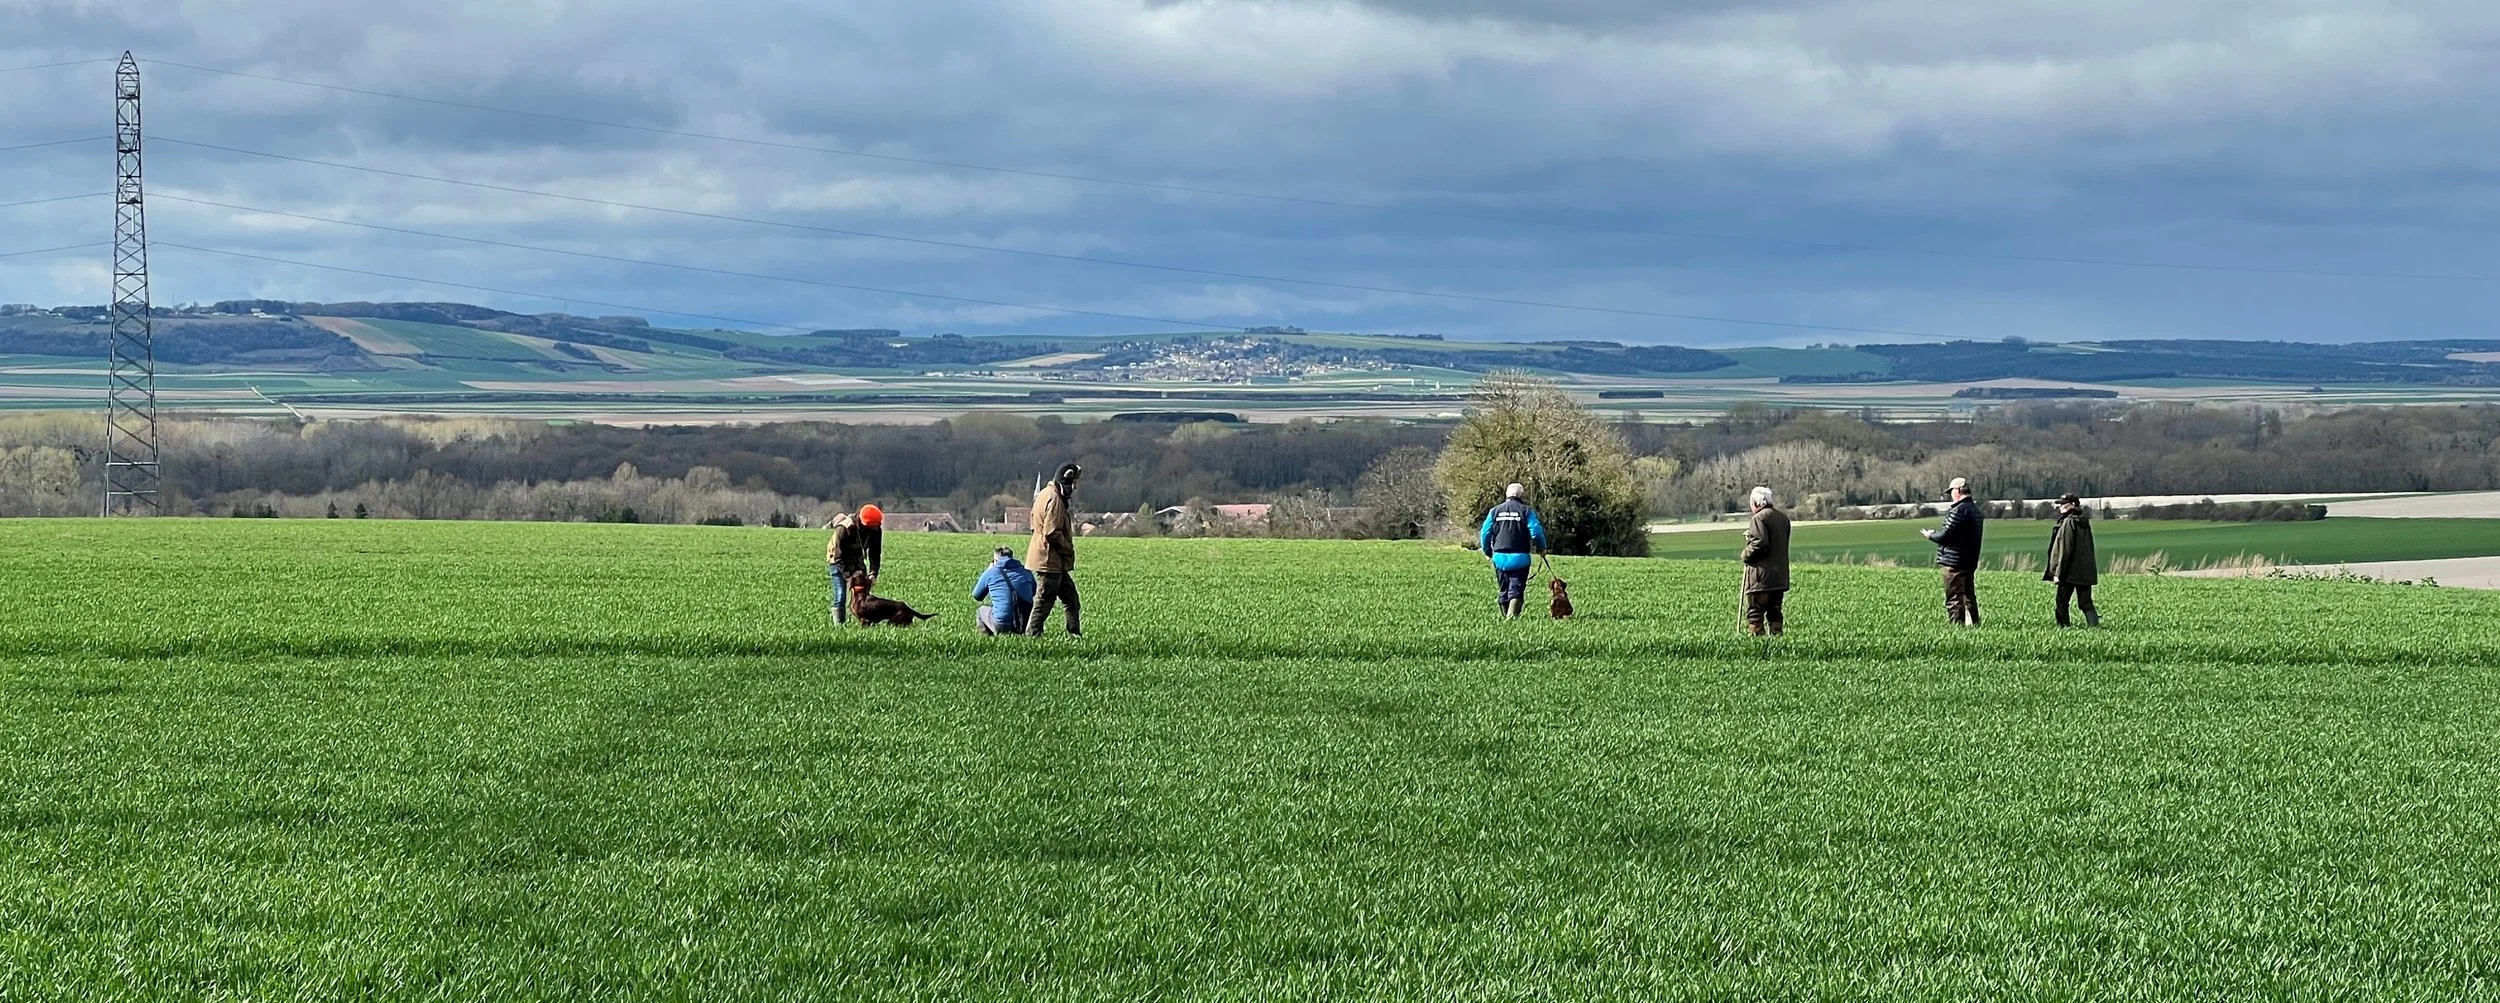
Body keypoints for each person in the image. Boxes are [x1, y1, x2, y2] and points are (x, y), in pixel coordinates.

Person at [1023, 463, 1083, 637]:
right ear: (1067, 481)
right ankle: (1032, 634)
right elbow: (1052, 533)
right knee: (1045, 601)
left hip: (1049, 559)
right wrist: (1067, 548)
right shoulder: (1055, 500)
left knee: (1071, 599)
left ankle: (1074, 634)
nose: (1075, 488)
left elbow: (1035, 524)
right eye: (1074, 484)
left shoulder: (1044, 494)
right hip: (1049, 560)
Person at [1477, 483, 1549, 620]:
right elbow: (1536, 532)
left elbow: (1485, 533)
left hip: (1499, 558)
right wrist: (1541, 548)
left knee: (1503, 589)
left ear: (1506, 494)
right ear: (1521, 495)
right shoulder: (1526, 511)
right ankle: (1511, 619)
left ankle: (1505, 617)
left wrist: (1488, 552)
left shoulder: (1495, 511)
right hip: (1520, 557)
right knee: (1516, 589)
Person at [1921, 477, 1984, 626]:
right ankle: (1973, 624)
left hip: (1954, 561)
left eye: (1952, 491)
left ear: (1958, 491)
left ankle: (1957, 626)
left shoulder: (1958, 511)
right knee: (1968, 595)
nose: (1951, 495)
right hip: (1969, 560)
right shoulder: (1974, 510)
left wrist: (1930, 535)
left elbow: (1946, 535)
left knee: (1954, 596)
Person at [1740, 485, 1791, 636]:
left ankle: (1758, 643)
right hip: (1779, 577)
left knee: (1755, 612)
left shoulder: (1759, 518)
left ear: (1756, 503)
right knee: (1775, 612)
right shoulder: (1782, 518)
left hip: (1761, 577)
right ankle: (1777, 641)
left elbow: (1759, 543)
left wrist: (1746, 554)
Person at [2045, 492, 2101, 627]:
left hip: (2069, 571)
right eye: (2060, 504)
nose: (2061, 507)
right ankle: (2095, 627)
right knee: (2085, 603)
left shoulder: (2069, 522)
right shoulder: (2083, 522)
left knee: (2061, 602)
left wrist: (2058, 573)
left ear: (2074, 504)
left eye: (2064, 504)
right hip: (2085, 571)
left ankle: (2063, 628)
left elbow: (2066, 549)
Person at [824, 504, 884, 625]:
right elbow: (838, 557)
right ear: (864, 523)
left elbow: (875, 553)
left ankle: (866, 622)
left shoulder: (876, 529)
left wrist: (873, 573)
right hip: (837, 560)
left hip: (857, 558)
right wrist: (849, 578)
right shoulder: (844, 529)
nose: (876, 528)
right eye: (873, 526)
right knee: (840, 593)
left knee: (863, 594)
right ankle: (839, 625)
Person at [972, 547, 1037, 637]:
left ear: (995, 560)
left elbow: (977, 596)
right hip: (1024, 622)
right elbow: (1033, 592)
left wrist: (988, 571)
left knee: (981, 611)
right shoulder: (1026, 572)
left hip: (1002, 623)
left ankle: (988, 639)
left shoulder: (991, 572)